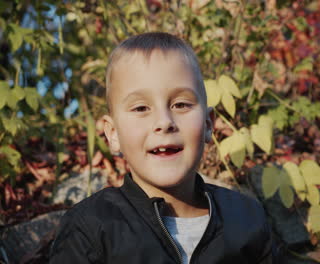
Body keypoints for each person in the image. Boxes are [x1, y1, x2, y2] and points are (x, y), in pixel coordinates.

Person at [49, 32, 275, 264]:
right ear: (113, 133)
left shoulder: (246, 218)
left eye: (180, 104)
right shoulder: (91, 228)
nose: (164, 122)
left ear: (208, 124)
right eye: (140, 108)